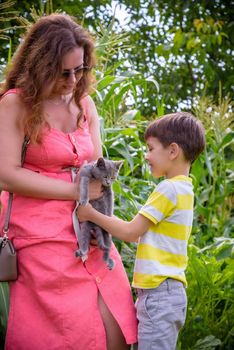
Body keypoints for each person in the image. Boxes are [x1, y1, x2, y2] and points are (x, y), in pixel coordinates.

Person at [0, 13, 137, 350]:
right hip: (38, 232)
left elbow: (98, 168)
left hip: (88, 227)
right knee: (65, 330)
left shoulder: (84, 104)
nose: (74, 80)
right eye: (64, 72)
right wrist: (75, 190)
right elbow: (5, 174)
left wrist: (97, 199)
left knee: (117, 323)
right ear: (40, 66)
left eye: (81, 70)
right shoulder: (16, 103)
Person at [77, 112, 206, 350]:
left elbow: (129, 231)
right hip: (166, 294)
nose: (146, 156)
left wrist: (91, 214)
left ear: (173, 151)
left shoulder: (168, 189)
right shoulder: (184, 189)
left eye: (150, 148)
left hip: (159, 294)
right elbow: (139, 234)